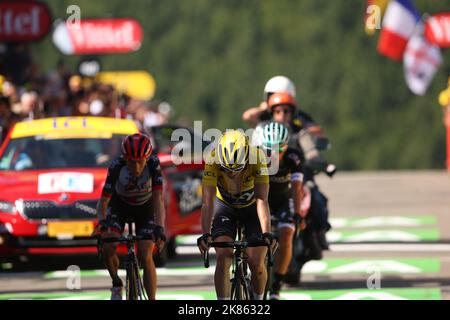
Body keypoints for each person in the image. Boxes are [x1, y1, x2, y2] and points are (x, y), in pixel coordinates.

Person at [197, 130, 277, 300]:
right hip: (225, 207)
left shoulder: (257, 157)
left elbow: (262, 199)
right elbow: (208, 202)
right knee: (223, 256)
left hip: (251, 207)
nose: (232, 174)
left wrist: (266, 233)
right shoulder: (212, 159)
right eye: (226, 170)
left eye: (237, 169)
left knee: (256, 263)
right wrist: (205, 234)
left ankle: (258, 301)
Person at [94, 133, 166, 300]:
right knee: (108, 247)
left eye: (140, 161)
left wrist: (160, 227)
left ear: (147, 158)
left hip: (145, 207)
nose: (137, 167)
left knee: (145, 253)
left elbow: (158, 198)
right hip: (120, 206)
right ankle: (117, 283)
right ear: (125, 158)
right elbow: (103, 202)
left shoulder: (153, 164)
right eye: (132, 162)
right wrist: (102, 223)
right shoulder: (116, 166)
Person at [258, 122, 305, 300]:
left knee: (286, 234)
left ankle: (276, 285)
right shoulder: (256, 155)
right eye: (269, 149)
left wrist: (298, 214)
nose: (274, 154)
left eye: (279, 149)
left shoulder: (294, 157)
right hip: (262, 199)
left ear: (287, 146)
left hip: (284, 200)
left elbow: (296, 188)